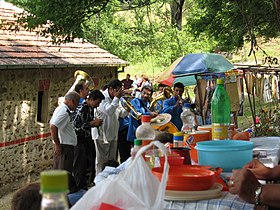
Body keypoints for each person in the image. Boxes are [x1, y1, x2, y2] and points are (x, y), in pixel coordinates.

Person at [92, 79, 128, 174]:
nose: (119, 93)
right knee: (102, 161)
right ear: (111, 89)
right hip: (102, 134)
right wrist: (117, 98)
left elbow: (122, 114)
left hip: (113, 134)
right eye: (118, 90)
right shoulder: (102, 97)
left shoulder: (115, 98)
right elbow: (109, 111)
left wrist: (127, 108)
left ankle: (109, 180)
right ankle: (99, 181)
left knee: (112, 160)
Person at [73, 90, 105, 190]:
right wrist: (92, 124)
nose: (98, 105)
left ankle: (88, 183)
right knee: (80, 165)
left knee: (90, 161)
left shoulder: (91, 108)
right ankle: (79, 186)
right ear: (91, 99)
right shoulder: (81, 109)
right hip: (79, 140)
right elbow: (77, 127)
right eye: (97, 102)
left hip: (88, 138)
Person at [50, 91, 80, 176]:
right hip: (64, 148)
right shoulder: (64, 111)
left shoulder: (62, 109)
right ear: (71, 101)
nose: (77, 106)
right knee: (63, 174)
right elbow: (53, 126)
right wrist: (57, 144)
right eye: (76, 103)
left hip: (66, 147)